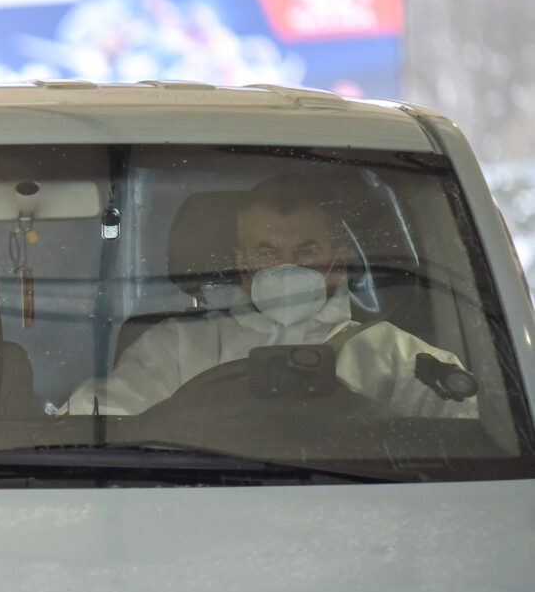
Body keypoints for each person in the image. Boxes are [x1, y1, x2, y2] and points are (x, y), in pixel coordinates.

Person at [65, 174, 478, 418]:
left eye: (306, 251)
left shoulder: (393, 356)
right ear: (242, 263)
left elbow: (469, 430)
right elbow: (99, 419)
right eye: (267, 253)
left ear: (338, 261)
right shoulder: (175, 347)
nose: (287, 266)